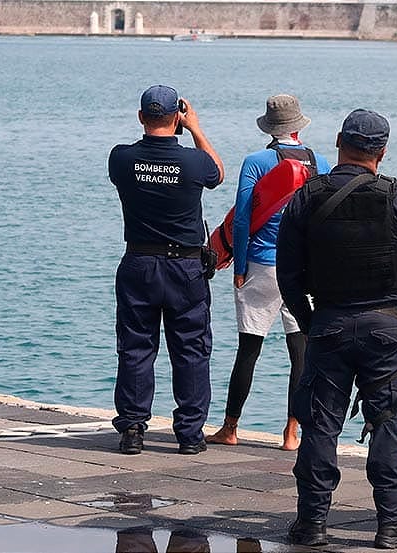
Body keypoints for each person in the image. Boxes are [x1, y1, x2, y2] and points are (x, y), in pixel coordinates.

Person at [277, 109, 397, 549]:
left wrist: (309, 321)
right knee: (386, 419)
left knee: (319, 425)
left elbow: (287, 273)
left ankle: (311, 523)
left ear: (337, 142)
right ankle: (392, 524)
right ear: (382, 152)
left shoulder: (307, 196)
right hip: (386, 325)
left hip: (328, 321)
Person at [206, 94, 330, 451]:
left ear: (270, 127)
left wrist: (239, 265)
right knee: (300, 352)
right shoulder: (319, 162)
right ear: (298, 126)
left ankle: (230, 428)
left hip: (261, 264)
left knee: (249, 348)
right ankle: (292, 432)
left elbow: (244, 217)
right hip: (303, 267)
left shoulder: (256, 161)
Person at [108, 85, 224, 456]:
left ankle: (132, 430)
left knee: (135, 347)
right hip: (185, 266)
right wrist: (195, 128)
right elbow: (218, 173)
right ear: (177, 116)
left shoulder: (121, 159)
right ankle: (190, 434)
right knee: (190, 348)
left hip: (139, 262)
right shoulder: (193, 162)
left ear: (141, 117)